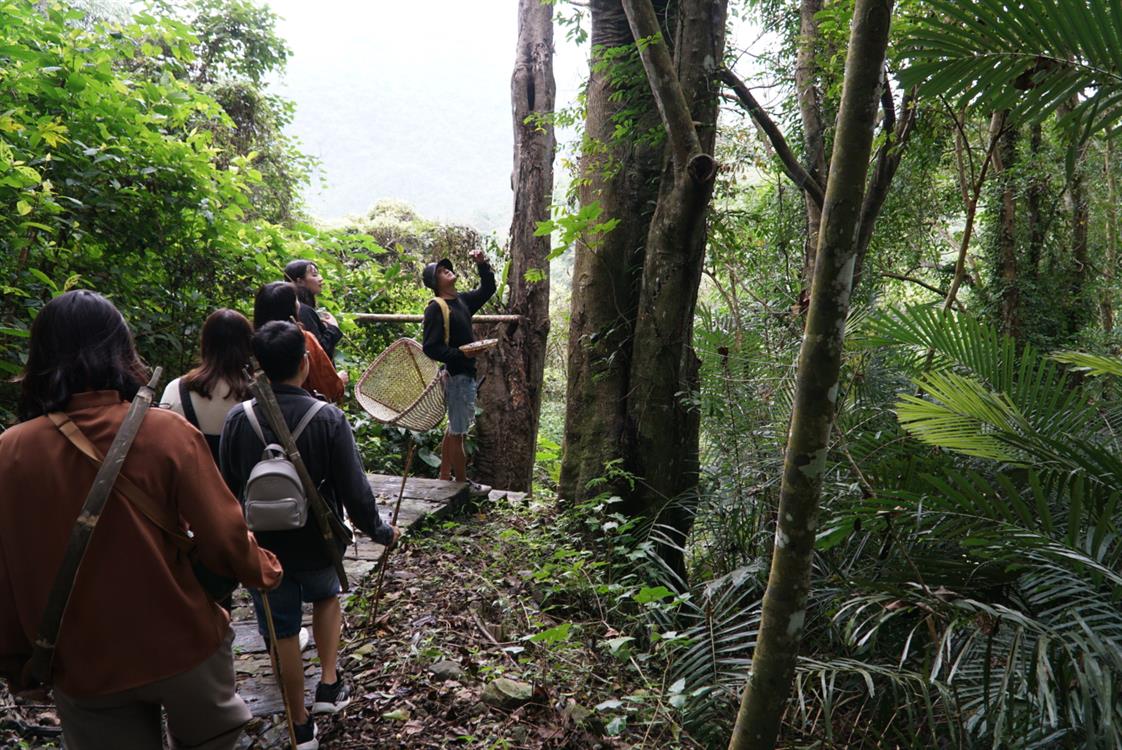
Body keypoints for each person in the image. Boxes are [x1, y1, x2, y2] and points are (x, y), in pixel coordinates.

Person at [0, 290, 282, 750]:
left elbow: (5, 571)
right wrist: (263, 569)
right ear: (121, 349)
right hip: (182, 644)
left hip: (84, 662)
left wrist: (15, 661)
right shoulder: (164, 432)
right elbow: (224, 537)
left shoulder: (11, 451)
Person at [219, 321, 400, 750]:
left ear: (258, 366)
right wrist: (379, 530)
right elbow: (354, 490)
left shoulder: (238, 419)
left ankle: (299, 725)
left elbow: (226, 488)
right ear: (304, 363)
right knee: (325, 598)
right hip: (318, 539)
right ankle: (330, 686)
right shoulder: (327, 418)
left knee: (281, 633)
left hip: (262, 547)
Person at [421, 249, 496, 496]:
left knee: (454, 427)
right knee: (459, 432)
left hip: (463, 373)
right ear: (435, 283)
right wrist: (461, 355)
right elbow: (431, 347)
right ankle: (462, 484)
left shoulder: (461, 301)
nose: (447, 270)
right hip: (456, 375)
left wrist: (482, 265)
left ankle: (444, 476)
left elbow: (487, 290)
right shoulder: (436, 308)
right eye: (442, 271)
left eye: (446, 268)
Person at [161, 308, 254, 461]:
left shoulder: (176, 389)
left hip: (189, 483)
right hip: (244, 484)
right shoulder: (260, 396)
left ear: (205, 343)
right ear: (248, 345)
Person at [253, 282, 346, 404]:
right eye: (296, 300)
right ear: (292, 308)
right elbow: (331, 388)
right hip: (307, 408)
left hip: (262, 409)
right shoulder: (304, 338)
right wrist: (339, 381)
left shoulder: (251, 340)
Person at [284, 260, 343, 361]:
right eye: (314, 275)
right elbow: (319, 352)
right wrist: (333, 328)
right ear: (300, 281)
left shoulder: (298, 307)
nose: (321, 279)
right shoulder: (303, 311)